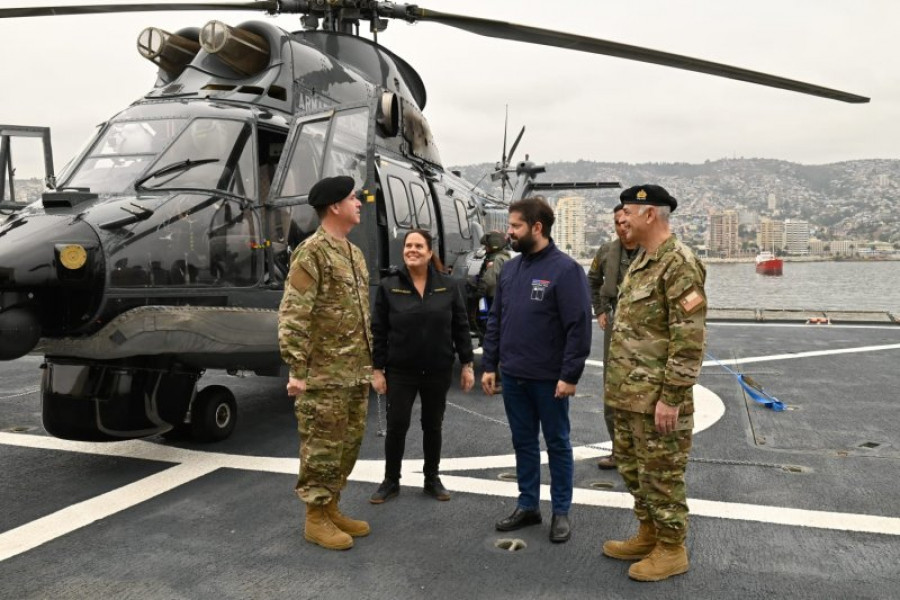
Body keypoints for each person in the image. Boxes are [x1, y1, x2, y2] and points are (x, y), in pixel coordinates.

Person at [601, 184, 707, 582]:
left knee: (662, 477)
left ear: (650, 214)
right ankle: (649, 533)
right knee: (633, 471)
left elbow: (689, 339)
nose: (621, 219)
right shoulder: (644, 260)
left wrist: (672, 398)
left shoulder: (678, 263)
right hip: (629, 396)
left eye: (626, 212)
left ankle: (672, 548)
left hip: (657, 401)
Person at [480, 197, 592, 544]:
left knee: (557, 443)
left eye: (515, 226)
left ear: (537, 228)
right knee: (523, 442)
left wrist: (569, 376)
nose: (509, 232)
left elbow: (578, 326)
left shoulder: (566, 270)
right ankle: (528, 505)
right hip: (513, 375)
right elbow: (496, 319)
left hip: (549, 379)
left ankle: (561, 511)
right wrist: (490, 365)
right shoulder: (511, 270)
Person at [278, 175, 373, 551]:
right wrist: (297, 369)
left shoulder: (353, 253)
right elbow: (293, 314)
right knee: (321, 447)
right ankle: (315, 518)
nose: (360, 202)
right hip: (322, 376)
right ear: (335, 206)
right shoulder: (312, 253)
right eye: (353, 198)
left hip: (354, 373)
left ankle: (332, 506)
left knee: (347, 446)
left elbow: (361, 317)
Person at [369, 229, 475, 504]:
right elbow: (378, 330)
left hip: (437, 369)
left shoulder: (448, 286)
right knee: (397, 426)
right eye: (408, 246)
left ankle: (432, 478)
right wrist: (377, 369)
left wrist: (467, 364)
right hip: (401, 371)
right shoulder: (389, 286)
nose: (412, 250)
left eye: (418, 246)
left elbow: (460, 326)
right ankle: (391, 480)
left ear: (430, 252)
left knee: (433, 425)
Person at [587, 204, 640, 470]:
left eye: (626, 222)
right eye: (618, 222)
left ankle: (643, 454)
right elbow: (593, 280)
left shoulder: (653, 251)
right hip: (615, 327)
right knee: (613, 390)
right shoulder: (607, 252)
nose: (622, 226)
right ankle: (619, 450)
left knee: (644, 390)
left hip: (646, 332)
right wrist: (600, 311)